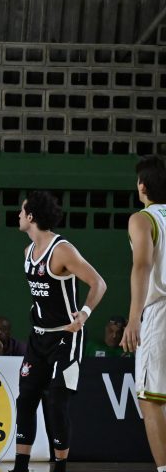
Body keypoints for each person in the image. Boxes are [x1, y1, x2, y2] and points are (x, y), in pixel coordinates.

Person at [12, 191, 106, 472]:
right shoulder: (27, 252)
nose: (18, 215)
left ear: (31, 216)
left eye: (21, 211)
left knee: (56, 403)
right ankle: (20, 467)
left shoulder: (62, 250)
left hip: (66, 337)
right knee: (25, 400)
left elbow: (98, 283)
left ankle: (60, 467)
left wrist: (84, 314)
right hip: (38, 337)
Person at [121, 155, 166, 472]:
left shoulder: (142, 219)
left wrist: (133, 317)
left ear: (142, 186)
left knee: (150, 399)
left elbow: (142, 265)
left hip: (159, 312)